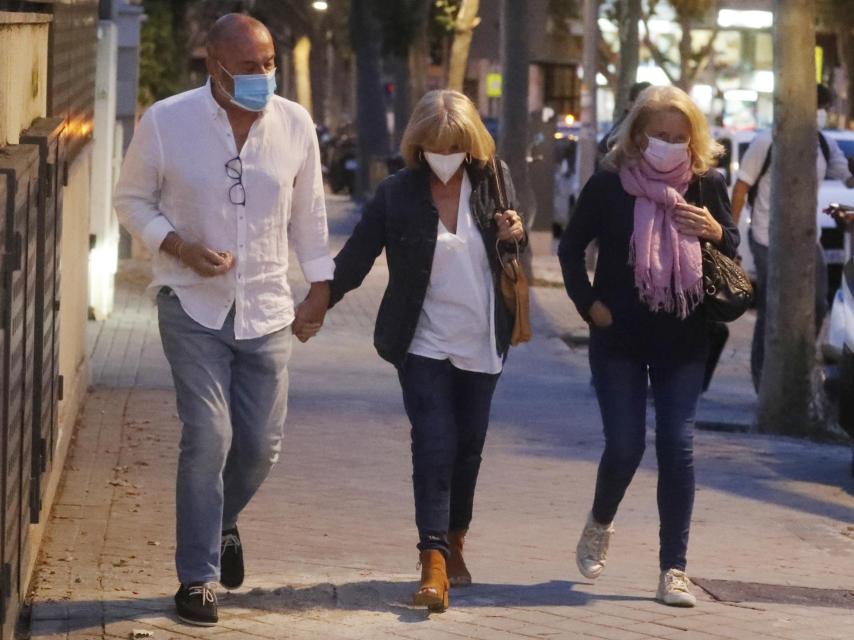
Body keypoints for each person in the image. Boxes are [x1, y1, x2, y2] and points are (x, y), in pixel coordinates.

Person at [114, 14, 333, 626]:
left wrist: (320, 289)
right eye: (248, 67)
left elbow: (310, 214)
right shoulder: (167, 121)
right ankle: (197, 579)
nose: (263, 75)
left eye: (270, 63)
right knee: (207, 435)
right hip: (191, 303)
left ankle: (222, 520)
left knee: (261, 447)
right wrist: (178, 246)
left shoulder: (295, 124)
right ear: (214, 66)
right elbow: (131, 199)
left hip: (267, 307)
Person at [324, 90, 525, 612]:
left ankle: (456, 542)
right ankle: (432, 561)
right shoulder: (397, 192)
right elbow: (356, 257)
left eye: (456, 146)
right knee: (434, 442)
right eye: (436, 146)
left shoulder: (494, 180)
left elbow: (510, 249)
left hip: (481, 337)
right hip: (422, 339)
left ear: (472, 144)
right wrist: (315, 305)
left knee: (468, 447)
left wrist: (514, 234)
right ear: (418, 144)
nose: (446, 156)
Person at [558, 85, 739, 607]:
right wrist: (589, 305)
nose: (670, 144)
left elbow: (731, 248)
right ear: (638, 134)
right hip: (619, 337)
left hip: (684, 338)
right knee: (625, 445)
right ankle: (600, 521)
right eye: (660, 134)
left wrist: (714, 229)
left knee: (677, 447)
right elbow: (571, 249)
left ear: (694, 138)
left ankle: (673, 569)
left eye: (681, 137)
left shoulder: (707, 184)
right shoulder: (609, 183)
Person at [731, 83, 854, 392]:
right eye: (817, 106)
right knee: (771, 307)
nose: (820, 113)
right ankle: (764, 381)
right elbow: (741, 188)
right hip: (766, 236)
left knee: (818, 303)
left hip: (808, 239)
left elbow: (847, 177)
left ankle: (798, 368)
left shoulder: (824, 144)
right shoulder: (767, 141)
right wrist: (730, 238)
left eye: (823, 107)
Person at [598, 81, 653, 157]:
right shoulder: (625, 125)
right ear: (631, 104)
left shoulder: (648, 124)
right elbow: (604, 148)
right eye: (644, 101)